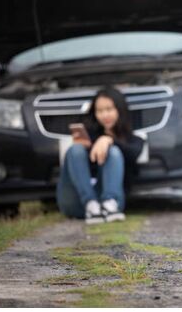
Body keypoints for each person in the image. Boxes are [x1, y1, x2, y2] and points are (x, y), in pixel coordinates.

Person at [56, 86, 144, 224]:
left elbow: (133, 154)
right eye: (100, 111)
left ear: (119, 109)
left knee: (114, 152)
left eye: (109, 109)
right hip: (79, 203)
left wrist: (109, 140)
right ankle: (91, 204)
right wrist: (88, 149)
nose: (104, 115)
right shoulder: (88, 136)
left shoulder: (133, 140)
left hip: (112, 205)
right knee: (75, 150)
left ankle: (109, 203)